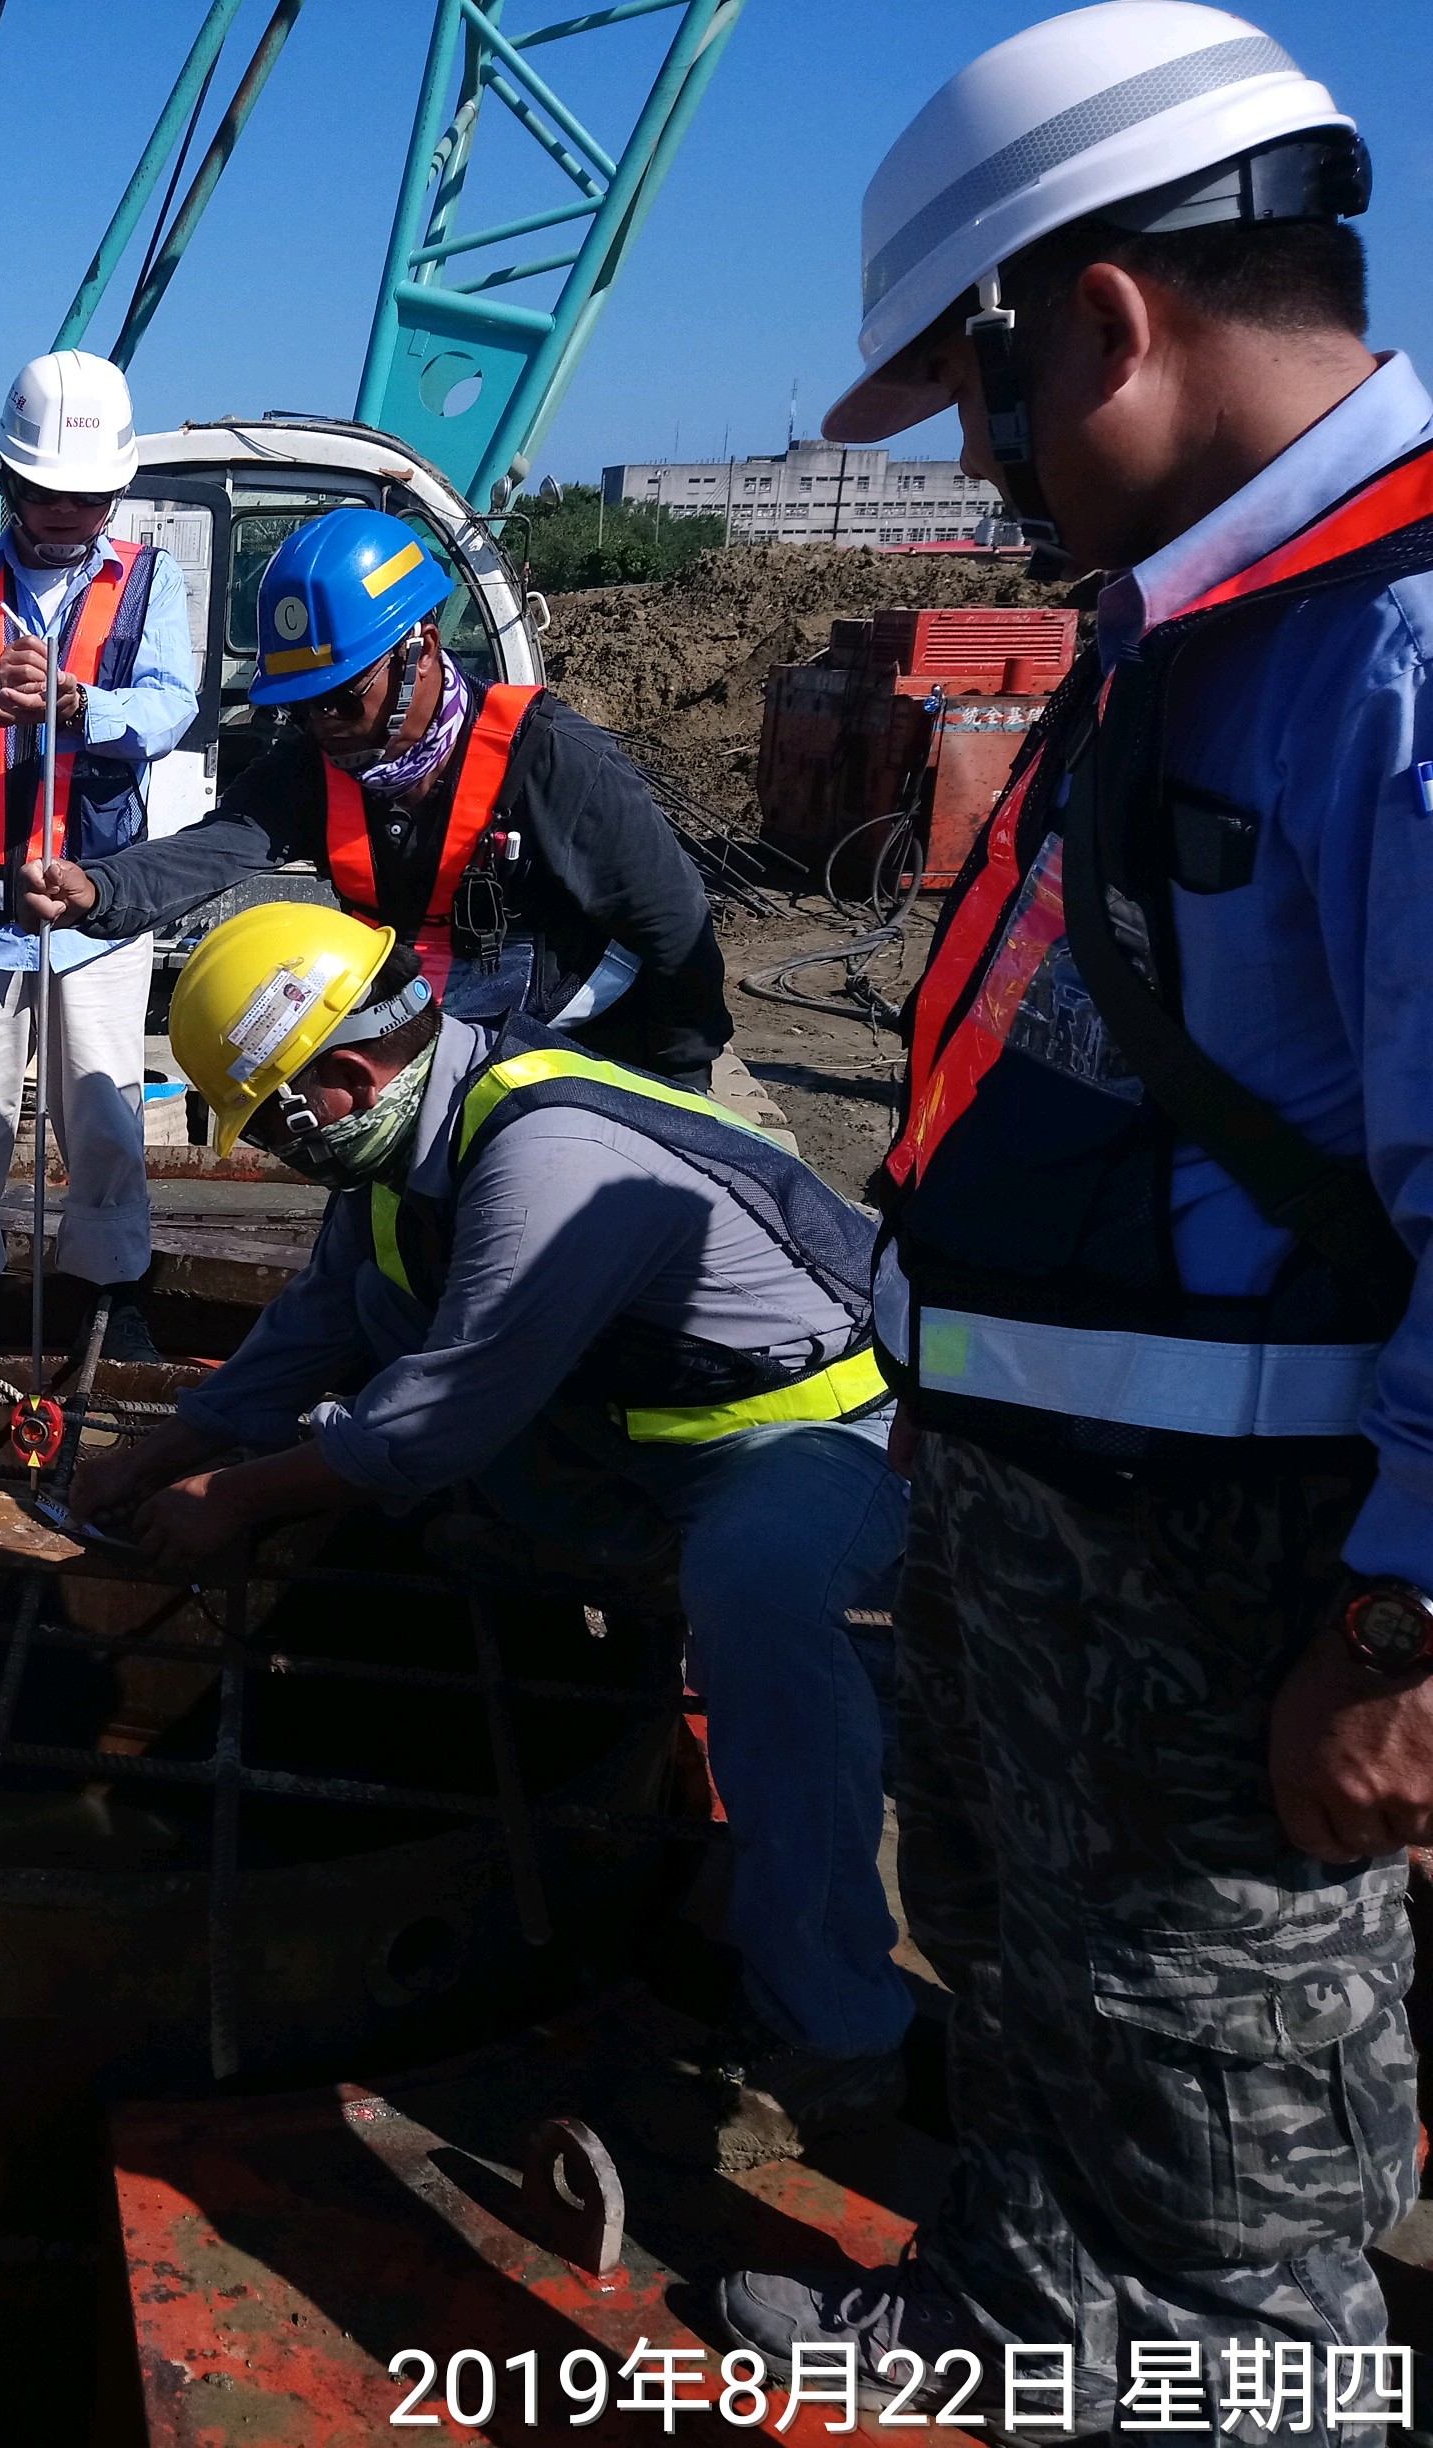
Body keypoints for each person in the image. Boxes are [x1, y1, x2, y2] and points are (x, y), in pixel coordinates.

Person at [711, 9, 1430, 2424]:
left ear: (1102, 322)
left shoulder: (1392, 655)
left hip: (1259, 1575)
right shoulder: (1191, 627)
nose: (993, 469)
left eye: (987, 397)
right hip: (1050, 1522)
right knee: (1023, 1983)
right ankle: (1016, 2328)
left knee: (1223, 2125)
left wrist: (1407, 1622)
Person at [72, 901, 910, 2167]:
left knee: (762, 1599)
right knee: (387, 1362)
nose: (293, 1156)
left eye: (282, 1129)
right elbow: (322, 1324)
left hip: (817, 1435)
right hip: (634, 1424)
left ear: (344, 1079)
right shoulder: (417, 1139)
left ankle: (840, 2026)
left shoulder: (548, 1156)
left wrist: (237, 1499)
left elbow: (430, 1424)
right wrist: (171, 1445)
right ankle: (570, 1573)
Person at [17, 505, 730, 1086]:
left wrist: (674, 1098)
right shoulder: (315, 765)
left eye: (340, 697)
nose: (323, 723)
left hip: (575, 1060)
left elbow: (672, 928)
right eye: (300, 706)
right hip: (435, 1053)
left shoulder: (547, 759)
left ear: (420, 647)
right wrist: (98, 889)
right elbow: (219, 846)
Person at [0, 350, 197, 1359]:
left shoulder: (153, 581)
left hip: (96, 913)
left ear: (115, 492)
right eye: (48, 492)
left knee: (103, 1116)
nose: (65, 513)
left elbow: (169, 706)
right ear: (8, 480)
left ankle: (112, 1288)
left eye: (86, 496)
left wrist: (82, 706)